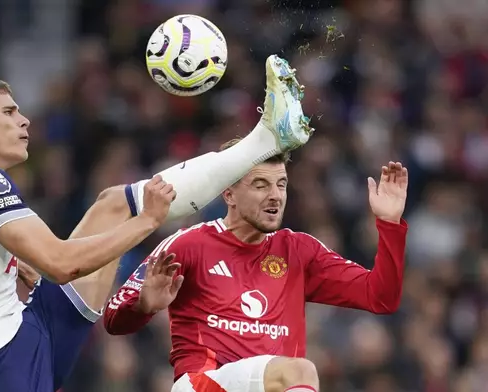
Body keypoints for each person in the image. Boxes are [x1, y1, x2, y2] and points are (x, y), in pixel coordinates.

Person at [0, 54, 313, 392]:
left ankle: (264, 139)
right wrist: (147, 222)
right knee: (126, 215)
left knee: (113, 204)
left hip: (11, 334)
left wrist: (9, 264)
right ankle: (266, 139)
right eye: (9, 112)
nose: (23, 121)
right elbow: (61, 264)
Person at [103, 139, 409, 392]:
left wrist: (390, 224)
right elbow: (113, 319)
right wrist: (144, 306)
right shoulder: (188, 245)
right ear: (229, 193)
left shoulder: (298, 251)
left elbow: (380, 296)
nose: (275, 195)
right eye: (261, 185)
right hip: (201, 383)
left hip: (270, 385)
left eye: (281, 185)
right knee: (300, 372)